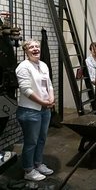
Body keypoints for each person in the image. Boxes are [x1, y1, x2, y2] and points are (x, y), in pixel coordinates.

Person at [15, 39, 55, 181]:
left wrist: (51, 99)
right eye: (31, 47)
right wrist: (43, 102)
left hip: (44, 110)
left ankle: (37, 164)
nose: (35, 49)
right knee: (31, 141)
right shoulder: (23, 67)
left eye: (37, 46)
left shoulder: (43, 65)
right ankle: (28, 170)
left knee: (41, 139)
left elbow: (49, 84)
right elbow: (26, 90)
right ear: (26, 51)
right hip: (29, 111)